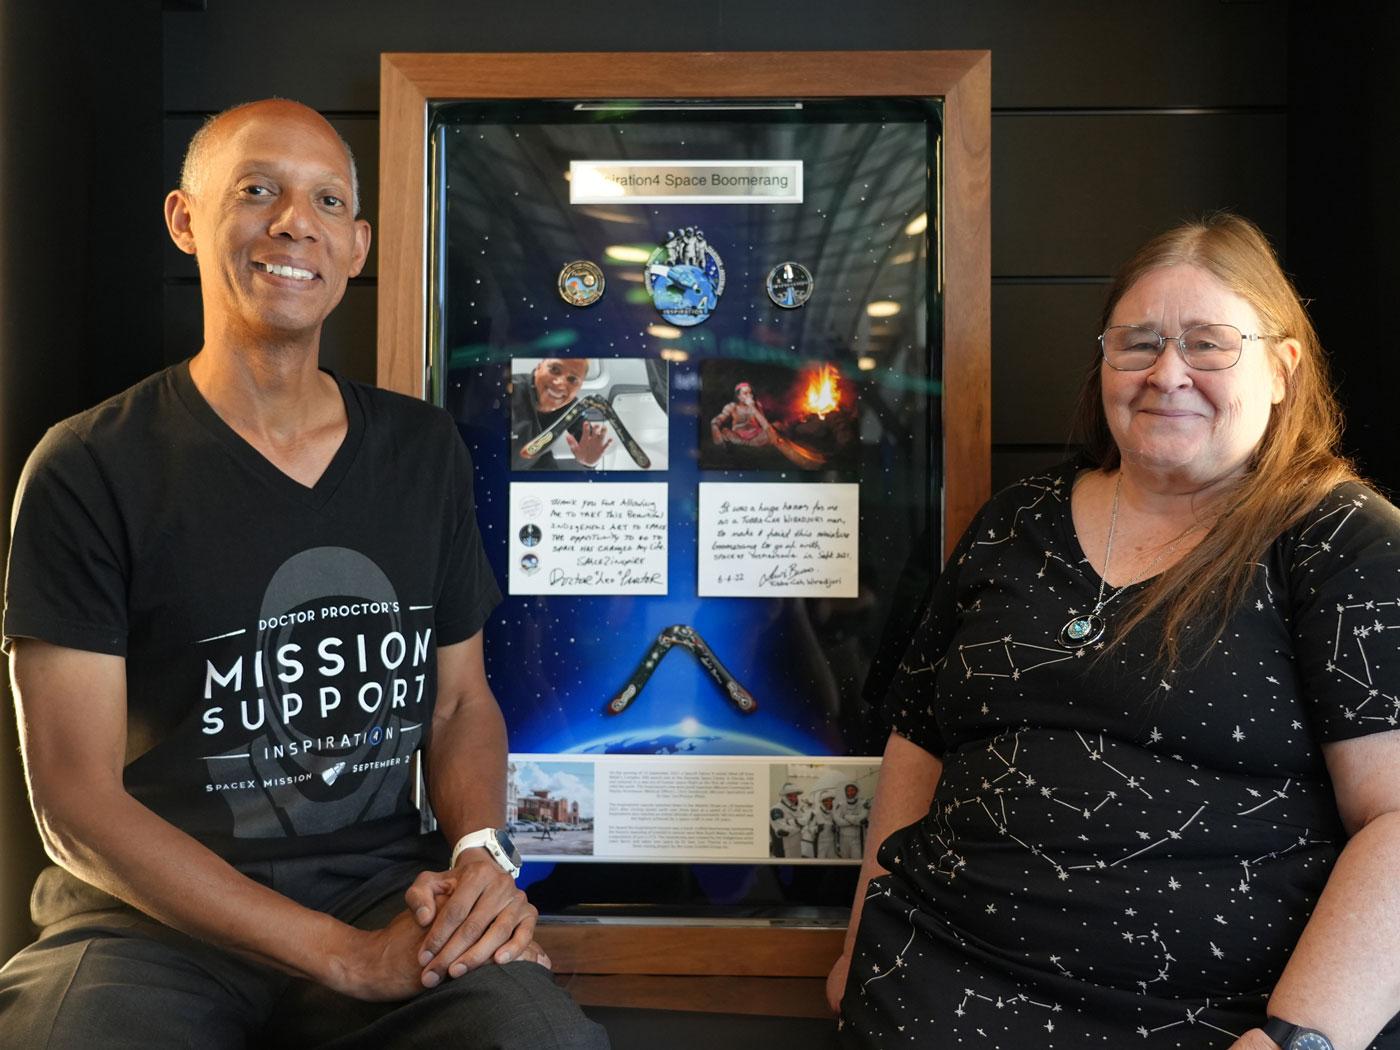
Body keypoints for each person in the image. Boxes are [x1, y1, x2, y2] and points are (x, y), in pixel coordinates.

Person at [0, 99, 606, 1049]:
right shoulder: (86, 467)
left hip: (379, 895)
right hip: (152, 927)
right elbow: (74, 806)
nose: (296, 222)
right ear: (185, 219)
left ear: (357, 246)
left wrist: (481, 860)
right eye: (257, 191)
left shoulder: (422, 451)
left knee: (542, 1039)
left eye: (327, 200)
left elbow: (457, 706)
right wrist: (340, 956)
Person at [829, 213, 1400, 1049]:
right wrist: (855, 961)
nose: (1167, 374)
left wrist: (1298, 1041)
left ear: (1283, 368)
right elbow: (917, 746)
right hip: (929, 995)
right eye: (1137, 343)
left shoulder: (1343, 541)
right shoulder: (1015, 521)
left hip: (1201, 1024)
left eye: (1209, 343)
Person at [510, 357, 611, 470]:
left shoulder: (572, 408)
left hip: (536, 463)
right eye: (554, 370)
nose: (560, 384)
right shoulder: (510, 392)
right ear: (539, 367)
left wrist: (590, 462)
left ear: (579, 387)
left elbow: (587, 445)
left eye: (572, 379)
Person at [833, 781, 866, 860]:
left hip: (856, 838)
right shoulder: (841, 804)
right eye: (848, 790)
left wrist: (846, 816)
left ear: (856, 791)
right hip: (843, 838)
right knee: (844, 861)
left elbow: (861, 820)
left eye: (852, 790)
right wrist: (854, 820)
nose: (850, 792)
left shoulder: (862, 804)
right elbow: (838, 821)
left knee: (857, 860)